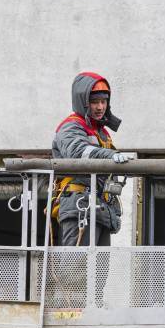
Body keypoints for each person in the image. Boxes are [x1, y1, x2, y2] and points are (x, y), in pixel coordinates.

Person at [50, 72, 133, 248]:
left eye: (104, 102)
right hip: (80, 204)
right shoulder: (71, 126)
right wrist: (110, 156)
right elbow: (78, 152)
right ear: (84, 102)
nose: (100, 107)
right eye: (95, 102)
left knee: (100, 271)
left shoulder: (100, 132)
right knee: (76, 269)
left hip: (99, 206)